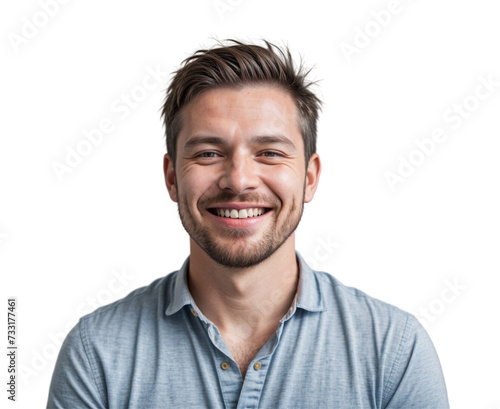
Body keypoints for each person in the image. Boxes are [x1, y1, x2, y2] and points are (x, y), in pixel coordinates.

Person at [47, 39, 450, 408]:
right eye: (207, 153)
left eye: (270, 153)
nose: (238, 180)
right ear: (172, 177)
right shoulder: (96, 354)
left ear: (309, 177)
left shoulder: (394, 351)